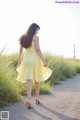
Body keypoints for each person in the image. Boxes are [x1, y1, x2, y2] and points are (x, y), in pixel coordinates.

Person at [16, 23, 52, 109]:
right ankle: (36, 98)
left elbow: (21, 50)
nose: (37, 32)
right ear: (33, 29)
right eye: (37, 30)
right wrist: (44, 60)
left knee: (29, 79)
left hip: (26, 60)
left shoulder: (22, 37)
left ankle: (28, 99)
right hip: (35, 60)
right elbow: (37, 49)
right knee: (37, 79)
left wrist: (20, 60)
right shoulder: (35, 38)